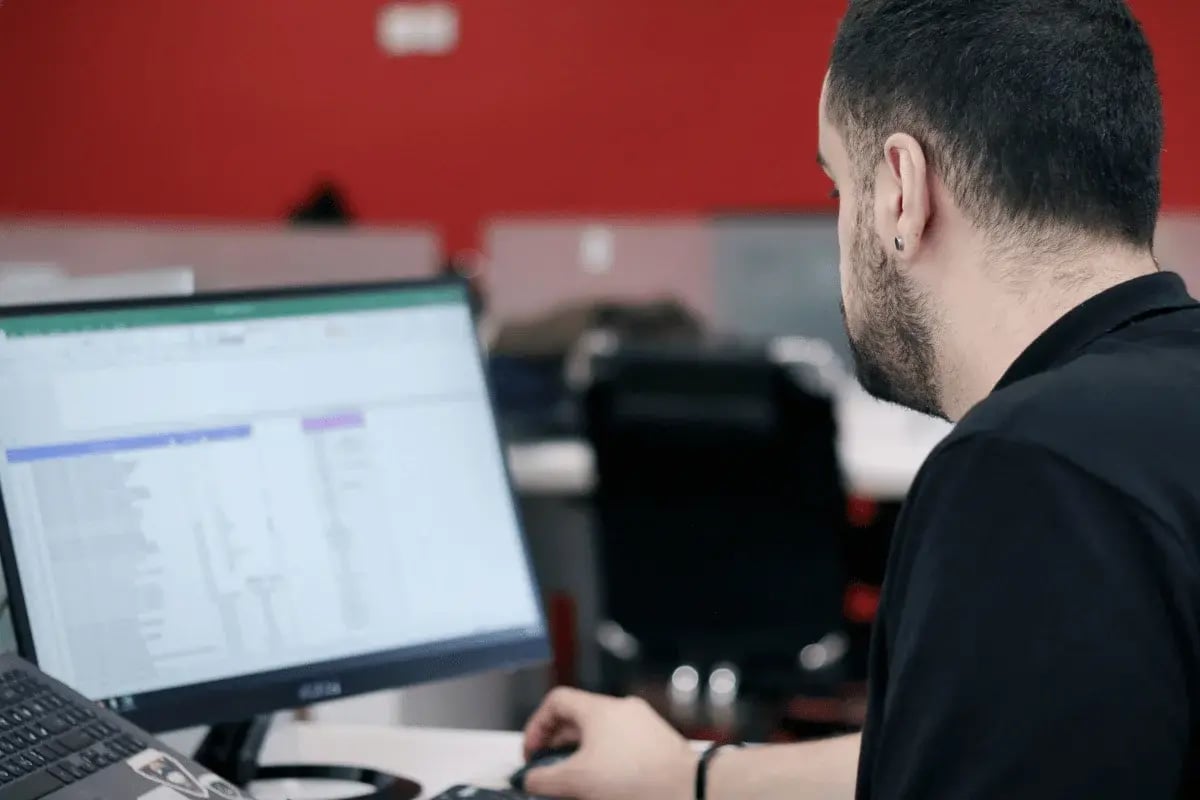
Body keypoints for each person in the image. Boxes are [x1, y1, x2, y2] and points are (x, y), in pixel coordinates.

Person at [520, 0, 1200, 798]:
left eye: (837, 187)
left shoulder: (1028, 472)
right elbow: (1016, 741)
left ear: (901, 191)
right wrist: (691, 775)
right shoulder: (1147, 421)